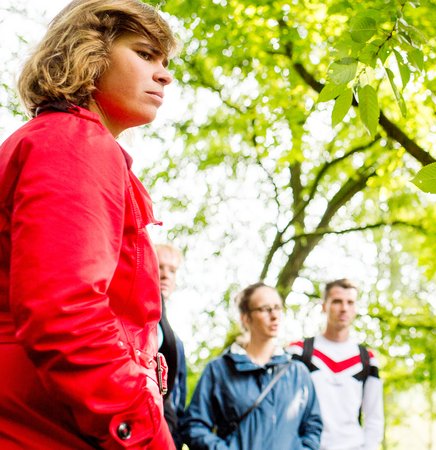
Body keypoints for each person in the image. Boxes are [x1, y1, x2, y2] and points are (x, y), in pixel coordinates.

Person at [0, 1, 177, 448]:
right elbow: (65, 312)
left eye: (165, 62)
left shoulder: (59, 141)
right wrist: (146, 434)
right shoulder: (73, 142)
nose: (164, 75)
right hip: (46, 424)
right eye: (144, 53)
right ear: (90, 52)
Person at [183, 282, 322, 449]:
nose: (274, 315)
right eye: (265, 309)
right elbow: (193, 426)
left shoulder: (298, 372)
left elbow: (313, 427)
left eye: (277, 307)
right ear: (245, 317)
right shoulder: (219, 369)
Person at [287, 279, 384, 450]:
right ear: (324, 306)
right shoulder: (299, 351)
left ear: (355, 308)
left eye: (350, 302)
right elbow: (283, 408)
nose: (344, 308)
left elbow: (374, 417)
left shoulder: (367, 358)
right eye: (337, 301)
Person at [155, 243, 188, 448]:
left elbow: (179, 401)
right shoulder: (125, 321)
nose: (166, 275)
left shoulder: (176, 343)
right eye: (160, 266)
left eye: (172, 270)